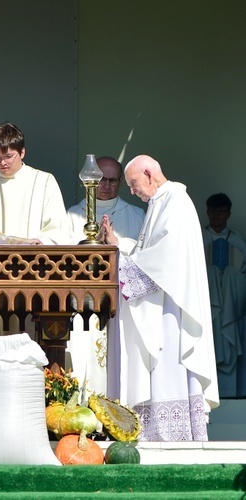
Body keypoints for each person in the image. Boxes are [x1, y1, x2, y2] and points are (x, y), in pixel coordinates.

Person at [102, 154, 218, 441]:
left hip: (172, 308)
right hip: (162, 300)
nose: (132, 191)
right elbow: (150, 250)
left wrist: (125, 267)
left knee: (171, 369)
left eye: (133, 183)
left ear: (149, 174)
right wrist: (120, 246)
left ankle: (175, 436)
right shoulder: (160, 202)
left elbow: (167, 257)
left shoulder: (175, 201)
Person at [65, 156, 145, 394]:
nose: (106, 185)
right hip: (82, 303)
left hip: (122, 303)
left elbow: (145, 257)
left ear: (121, 182)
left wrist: (117, 244)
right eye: (101, 179)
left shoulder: (136, 215)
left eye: (112, 180)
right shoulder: (73, 214)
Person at [0, 122, 71, 244]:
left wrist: (41, 241)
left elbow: (58, 228)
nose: (2, 162)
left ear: (22, 152)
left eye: (8, 156)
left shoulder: (44, 182)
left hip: (33, 259)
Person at [201, 193, 246, 398]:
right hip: (207, 305)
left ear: (228, 213)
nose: (216, 215)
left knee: (231, 274)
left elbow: (243, 273)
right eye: (212, 211)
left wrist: (229, 278)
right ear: (207, 212)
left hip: (231, 307)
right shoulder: (199, 237)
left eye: (220, 211)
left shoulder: (236, 240)